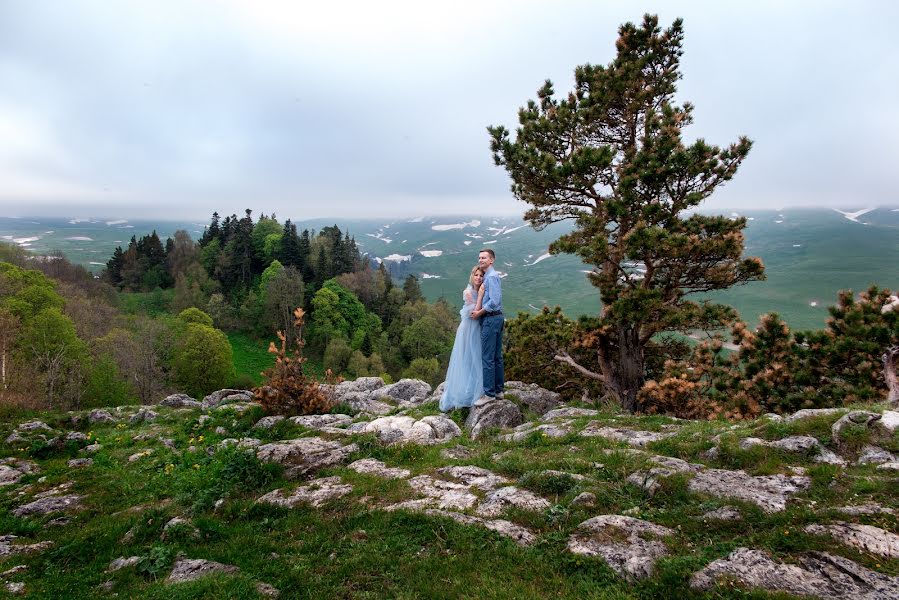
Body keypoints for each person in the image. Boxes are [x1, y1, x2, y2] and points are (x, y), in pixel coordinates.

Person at [439, 266, 485, 411]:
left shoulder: (482, 291)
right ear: (472, 276)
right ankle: (462, 392)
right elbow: (474, 312)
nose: (478, 278)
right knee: (466, 358)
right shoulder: (468, 292)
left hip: (477, 329)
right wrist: (482, 296)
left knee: (476, 359)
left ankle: (474, 390)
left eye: (481, 275)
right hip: (467, 330)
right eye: (476, 275)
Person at [470, 248, 504, 398]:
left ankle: (489, 394)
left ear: (491, 260)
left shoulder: (491, 277)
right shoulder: (490, 276)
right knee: (497, 357)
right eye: (479, 258)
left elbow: (494, 302)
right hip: (496, 318)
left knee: (488, 357)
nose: (481, 260)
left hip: (490, 319)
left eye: (484, 258)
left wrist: (479, 313)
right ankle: (498, 391)